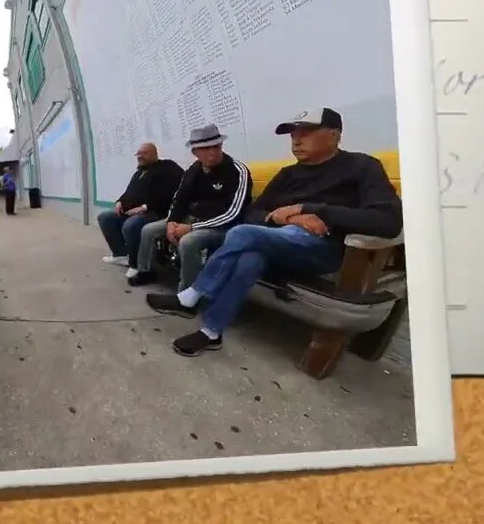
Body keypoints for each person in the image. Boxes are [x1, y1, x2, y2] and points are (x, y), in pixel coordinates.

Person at [145, 107, 402, 357]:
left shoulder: (362, 166)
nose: (297, 140)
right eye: (293, 134)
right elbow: (254, 213)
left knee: (242, 234)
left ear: (334, 135)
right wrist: (289, 218)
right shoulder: (288, 174)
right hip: (279, 242)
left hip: (324, 251)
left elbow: (388, 221)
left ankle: (191, 295)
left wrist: (314, 211)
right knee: (249, 258)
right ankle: (211, 332)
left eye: (307, 132)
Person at [130, 124, 252, 290]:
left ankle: (187, 294)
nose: (212, 151)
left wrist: (191, 227)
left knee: (189, 242)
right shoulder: (193, 171)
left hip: (220, 226)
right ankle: (146, 271)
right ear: (195, 152)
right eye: (205, 148)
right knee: (148, 230)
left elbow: (233, 213)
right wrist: (173, 221)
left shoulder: (237, 170)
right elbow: (179, 199)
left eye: (216, 146)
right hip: (189, 220)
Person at [97, 142, 184, 277]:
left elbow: (171, 191)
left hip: (156, 212)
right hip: (132, 211)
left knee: (131, 225)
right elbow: (129, 193)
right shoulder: (139, 173)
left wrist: (144, 207)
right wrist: (120, 201)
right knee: (105, 217)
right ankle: (121, 255)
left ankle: (136, 263)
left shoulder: (168, 167)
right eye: (138, 154)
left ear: (155, 153)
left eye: (145, 153)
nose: (140, 156)